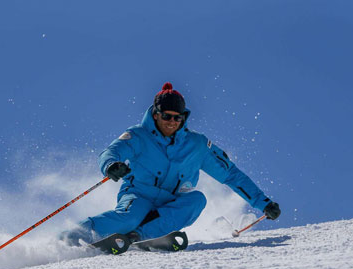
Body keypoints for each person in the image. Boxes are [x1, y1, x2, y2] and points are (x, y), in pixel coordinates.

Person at [61, 82, 280, 245]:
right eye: (167, 116)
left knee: (196, 200)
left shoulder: (198, 145)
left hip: (172, 204)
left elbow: (231, 174)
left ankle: (139, 237)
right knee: (130, 218)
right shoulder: (138, 135)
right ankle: (69, 238)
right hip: (139, 195)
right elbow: (111, 151)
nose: (172, 122)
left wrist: (263, 203)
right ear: (155, 114)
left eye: (178, 118)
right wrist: (111, 165)